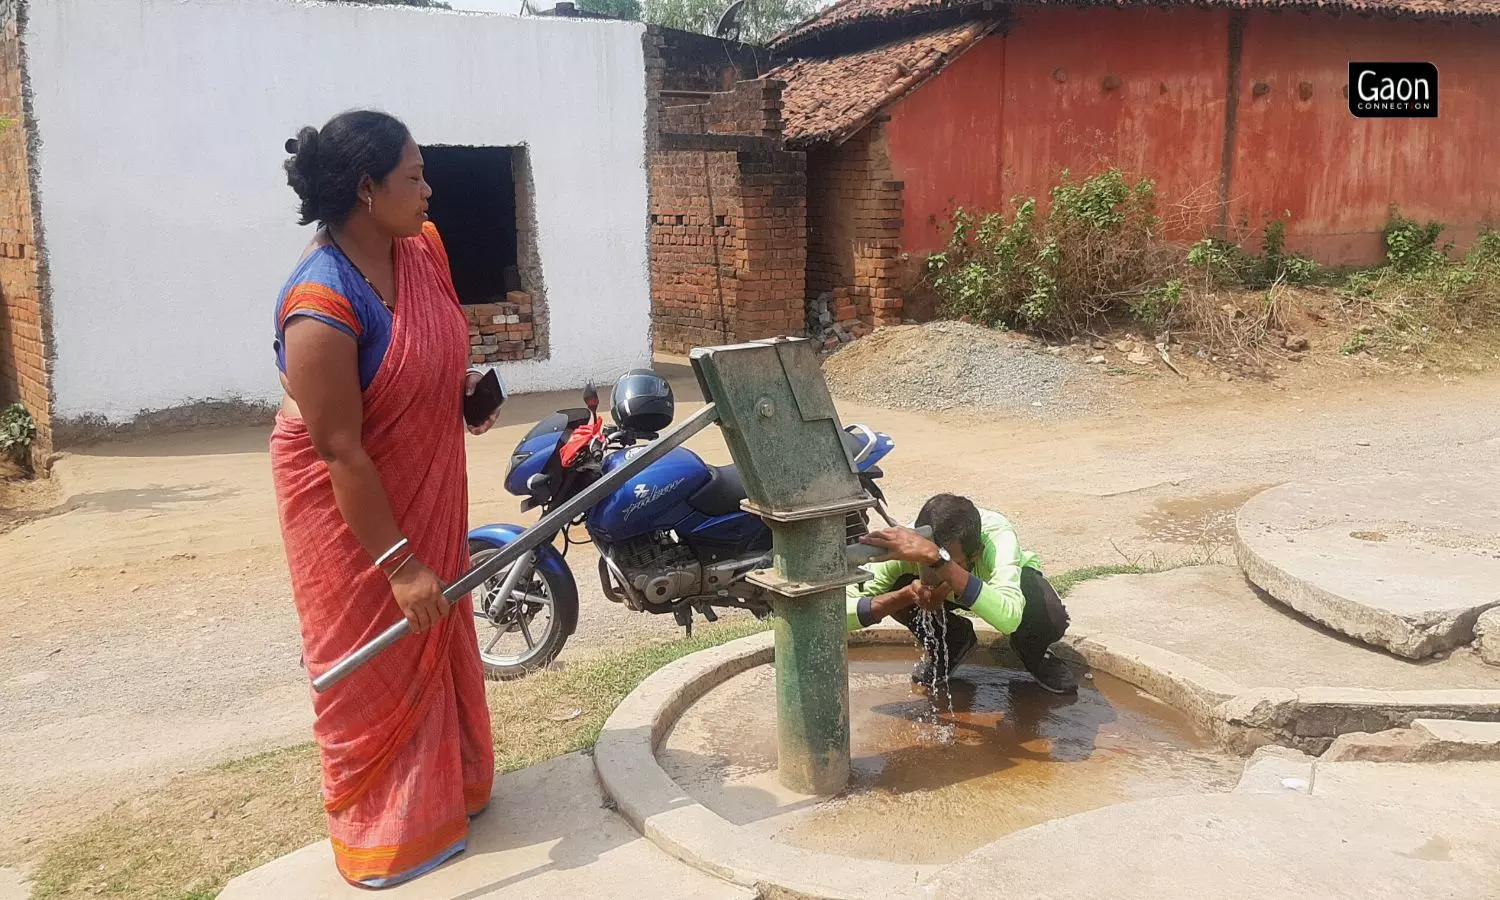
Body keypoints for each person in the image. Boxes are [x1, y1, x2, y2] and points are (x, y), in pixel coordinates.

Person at [271, 110, 501, 888]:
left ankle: (452, 795)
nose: (430, 190)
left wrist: (459, 392)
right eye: (414, 176)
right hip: (351, 511)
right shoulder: (320, 304)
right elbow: (339, 449)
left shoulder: (421, 248)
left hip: (422, 479)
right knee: (375, 659)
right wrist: (399, 565)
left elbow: (429, 343)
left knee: (437, 636)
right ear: (365, 190)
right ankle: (385, 831)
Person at [847, 494, 1077, 694]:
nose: (929, 574)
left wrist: (939, 561)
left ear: (975, 555)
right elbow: (837, 614)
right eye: (922, 562)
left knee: (1048, 615)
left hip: (995, 588)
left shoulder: (997, 539)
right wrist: (905, 595)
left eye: (938, 562)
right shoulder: (907, 546)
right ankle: (952, 642)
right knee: (889, 588)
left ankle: (1032, 652)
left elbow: (1009, 618)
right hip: (944, 596)